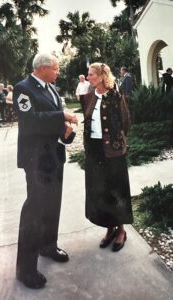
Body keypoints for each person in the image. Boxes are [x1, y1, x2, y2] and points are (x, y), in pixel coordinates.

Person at [13, 53, 78, 289]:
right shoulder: (23, 88)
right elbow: (30, 121)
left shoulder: (51, 88)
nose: (58, 72)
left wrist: (66, 133)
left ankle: (48, 246)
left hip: (53, 157)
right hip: (36, 159)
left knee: (53, 205)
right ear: (42, 68)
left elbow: (54, 123)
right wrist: (61, 116)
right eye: (56, 68)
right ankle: (25, 269)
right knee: (35, 209)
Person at [83, 62, 133, 252]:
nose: (88, 78)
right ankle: (109, 228)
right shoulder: (88, 97)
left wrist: (118, 142)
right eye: (88, 75)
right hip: (94, 151)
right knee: (101, 191)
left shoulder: (115, 95)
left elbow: (125, 120)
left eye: (91, 75)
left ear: (102, 76)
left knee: (116, 189)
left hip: (113, 150)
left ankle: (121, 230)